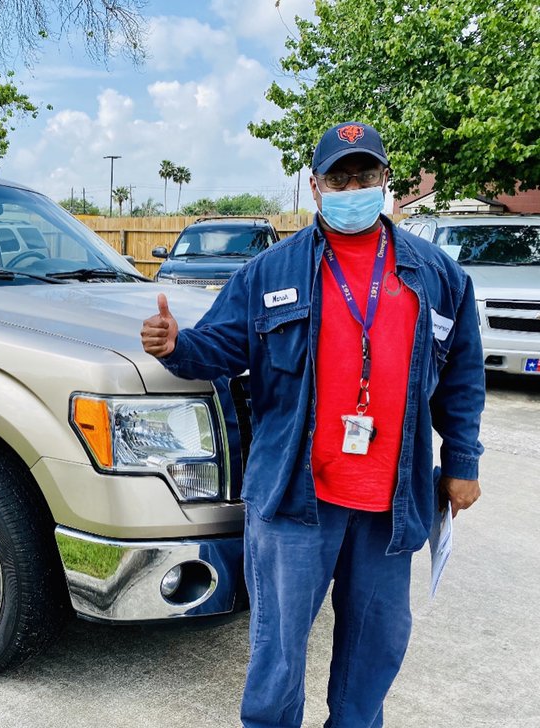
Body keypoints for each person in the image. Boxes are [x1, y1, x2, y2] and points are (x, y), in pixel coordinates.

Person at [140, 121, 484, 728]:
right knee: (278, 648)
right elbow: (219, 348)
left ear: (386, 181)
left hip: (390, 500)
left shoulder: (437, 276)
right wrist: (176, 346)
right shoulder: (270, 272)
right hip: (295, 498)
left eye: (365, 175)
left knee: (376, 647)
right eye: (339, 177)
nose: (353, 187)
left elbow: (461, 376)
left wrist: (461, 463)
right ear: (316, 187)